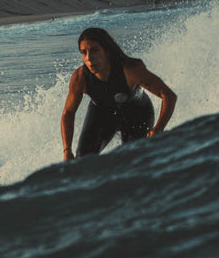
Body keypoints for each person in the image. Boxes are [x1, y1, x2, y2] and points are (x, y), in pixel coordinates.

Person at [60, 27, 177, 161]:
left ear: (107, 51)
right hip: (101, 113)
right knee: (82, 161)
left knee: (132, 161)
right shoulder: (80, 77)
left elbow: (169, 96)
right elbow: (68, 113)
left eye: (94, 50)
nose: (89, 58)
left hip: (137, 114)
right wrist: (67, 150)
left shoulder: (130, 70)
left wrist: (158, 129)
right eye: (83, 52)